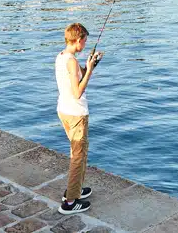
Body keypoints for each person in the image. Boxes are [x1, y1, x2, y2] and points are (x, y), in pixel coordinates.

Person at [56, 23, 102, 214]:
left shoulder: (62, 56)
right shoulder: (72, 61)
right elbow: (77, 92)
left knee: (78, 153)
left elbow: (75, 78)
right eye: (84, 41)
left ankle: (75, 190)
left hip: (64, 110)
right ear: (78, 40)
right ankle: (69, 202)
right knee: (78, 156)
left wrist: (90, 65)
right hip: (76, 113)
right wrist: (89, 71)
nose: (85, 44)